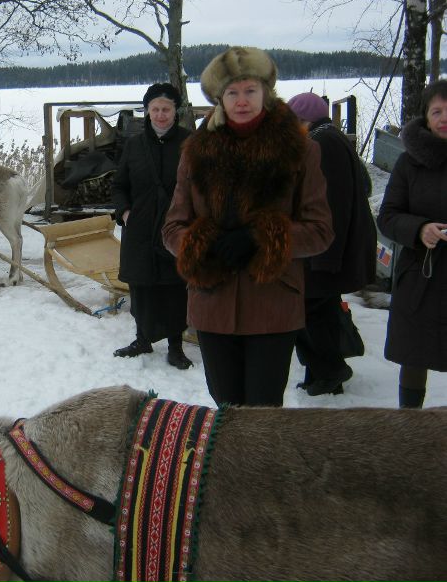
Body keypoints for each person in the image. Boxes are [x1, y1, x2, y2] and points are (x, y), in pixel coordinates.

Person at [162, 46, 334, 407]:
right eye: (232, 92)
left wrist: (262, 238)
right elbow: (172, 228)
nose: (242, 100)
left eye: (250, 90)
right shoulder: (195, 152)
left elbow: (320, 231)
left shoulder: (300, 150)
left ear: (265, 92)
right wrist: (202, 243)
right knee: (225, 406)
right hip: (212, 302)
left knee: (263, 411)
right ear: (219, 98)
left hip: (273, 303)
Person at [287, 92, 377, 397]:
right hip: (329, 248)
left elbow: (333, 204)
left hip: (327, 249)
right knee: (321, 310)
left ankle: (331, 370)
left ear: (305, 119)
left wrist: (325, 255)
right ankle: (321, 376)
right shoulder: (328, 138)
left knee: (308, 310)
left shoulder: (324, 143)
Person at [111, 83, 193, 369]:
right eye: (155, 109)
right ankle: (142, 339)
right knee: (141, 286)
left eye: (166, 109)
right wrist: (124, 213)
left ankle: (176, 346)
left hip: (176, 228)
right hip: (140, 229)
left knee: (175, 287)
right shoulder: (134, 145)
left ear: (175, 111)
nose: (160, 115)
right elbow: (119, 185)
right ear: (146, 111)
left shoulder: (189, 143)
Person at [377, 79, 447, 408]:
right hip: (421, 275)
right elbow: (388, 216)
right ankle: (409, 422)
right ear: (426, 116)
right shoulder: (410, 162)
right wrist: (420, 230)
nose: (444, 118)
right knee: (415, 354)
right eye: (437, 111)